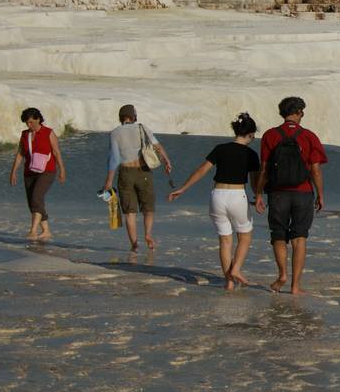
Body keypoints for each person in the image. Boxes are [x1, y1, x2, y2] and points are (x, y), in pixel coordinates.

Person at [168, 113, 260, 291]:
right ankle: (236, 270)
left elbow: (202, 169)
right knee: (245, 236)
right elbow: (255, 179)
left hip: (217, 195)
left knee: (225, 241)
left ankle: (229, 283)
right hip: (236, 194)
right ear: (251, 134)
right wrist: (258, 196)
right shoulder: (251, 154)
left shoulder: (220, 148)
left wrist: (183, 188)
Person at [253, 96, 328, 294]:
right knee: (299, 237)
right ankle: (295, 286)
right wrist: (320, 194)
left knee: (278, 234)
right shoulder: (309, 136)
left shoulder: (270, 135)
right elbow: (316, 170)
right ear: (299, 112)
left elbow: (264, 169)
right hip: (303, 193)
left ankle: (282, 274)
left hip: (277, 193)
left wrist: (258, 193)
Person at [102, 104, 173, 253]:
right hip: (143, 171)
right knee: (148, 208)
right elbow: (157, 146)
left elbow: (114, 159)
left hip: (125, 173)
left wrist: (109, 180)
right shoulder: (142, 128)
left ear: (121, 117)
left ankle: (134, 245)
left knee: (129, 212)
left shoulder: (115, 133)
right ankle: (147, 234)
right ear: (133, 116)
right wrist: (166, 160)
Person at [9, 108, 65, 242]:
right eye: (27, 123)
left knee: (36, 197)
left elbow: (57, 152)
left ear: (38, 119)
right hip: (29, 172)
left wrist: (62, 170)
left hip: (47, 171)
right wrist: (13, 171)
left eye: (31, 122)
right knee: (33, 202)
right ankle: (46, 231)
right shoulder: (24, 134)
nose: (29, 125)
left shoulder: (48, 133)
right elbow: (20, 154)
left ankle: (33, 230)